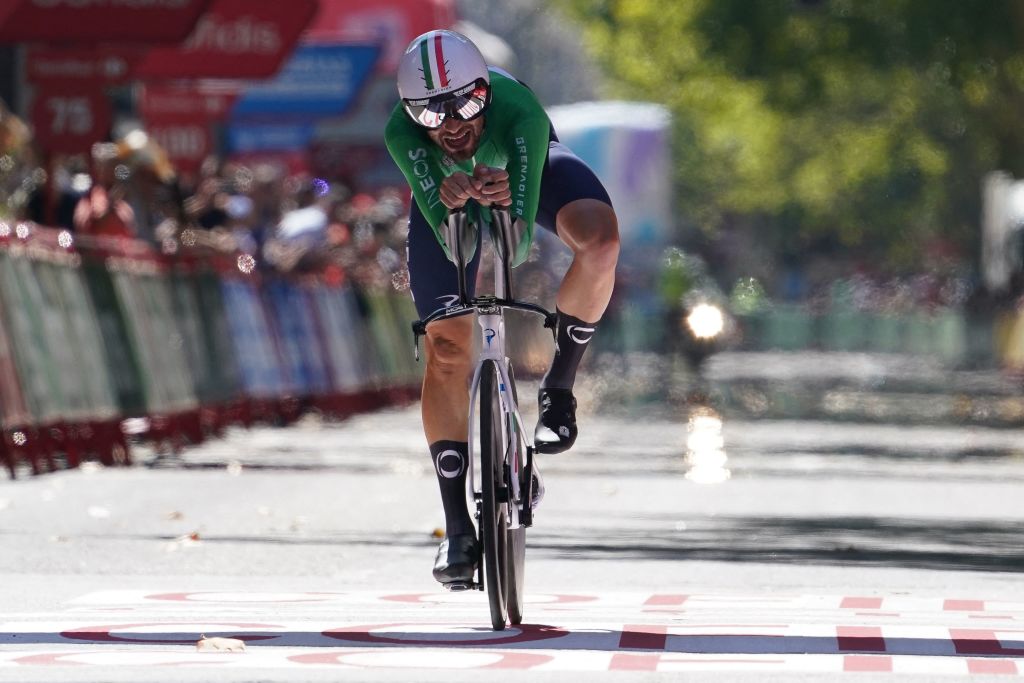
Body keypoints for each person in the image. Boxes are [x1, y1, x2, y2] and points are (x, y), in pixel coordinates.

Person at [384, 30, 620, 586]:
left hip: (530, 168)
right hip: (452, 193)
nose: (453, 126)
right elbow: (450, 240)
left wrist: (505, 194)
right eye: (432, 116)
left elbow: (517, 245)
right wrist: (452, 194)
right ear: (410, 114)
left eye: (467, 105)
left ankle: (560, 390)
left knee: (601, 243)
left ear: (486, 92)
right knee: (446, 345)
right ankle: (456, 529)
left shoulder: (519, 112)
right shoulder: (402, 133)